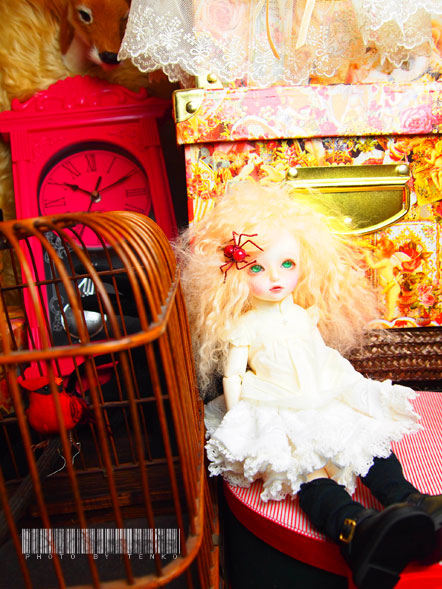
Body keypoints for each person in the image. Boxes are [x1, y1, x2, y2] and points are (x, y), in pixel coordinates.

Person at [177, 181, 441, 589]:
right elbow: (233, 375)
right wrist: (239, 417)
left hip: (323, 392)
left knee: (363, 438)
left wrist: (343, 386)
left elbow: (317, 355)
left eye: (287, 264)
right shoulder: (244, 327)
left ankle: (410, 500)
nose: (275, 278)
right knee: (304, 465)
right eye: (256, 268)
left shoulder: (303, 314)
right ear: (232, 275)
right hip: (276, 405)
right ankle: (353, 528)